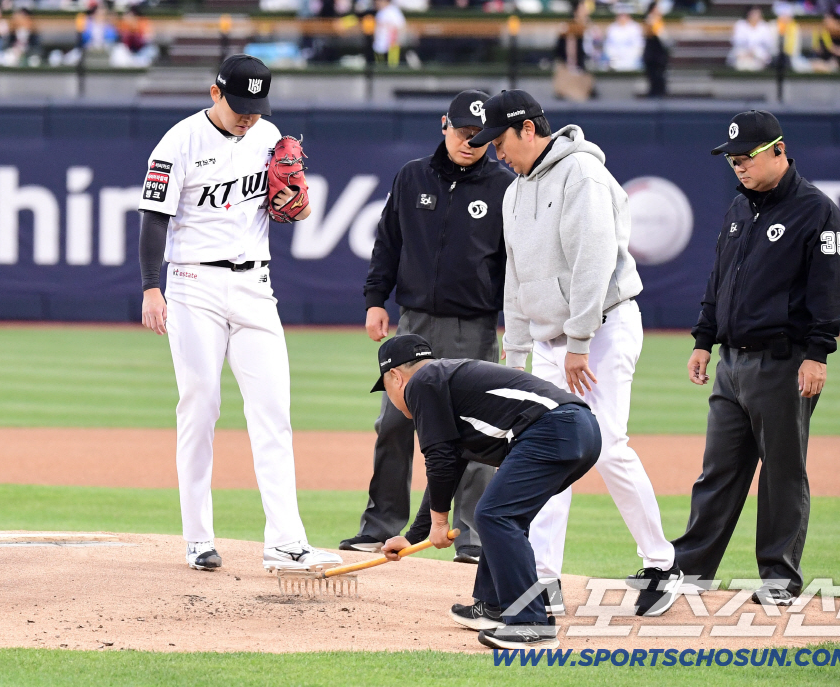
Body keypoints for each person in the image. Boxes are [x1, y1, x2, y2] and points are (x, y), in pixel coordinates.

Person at [473, 90, 682, 618]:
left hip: (601, 330)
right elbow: (515, 277)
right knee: (543, 451)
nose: (495, 152)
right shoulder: (515, 191)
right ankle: (543, 578)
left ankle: (662, 564)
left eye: (498, 140)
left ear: (527, 129)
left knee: (607, 446)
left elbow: (595, 259)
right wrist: (515, 352)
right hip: (548, 341)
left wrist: (580, 340)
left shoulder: (582, 174)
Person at [136, 55, 342, 573]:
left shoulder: (268, 135)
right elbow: (154, 218)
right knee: (200, 406)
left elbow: (291, 207)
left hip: (255, 283)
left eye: (256, 106)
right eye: (239, 106)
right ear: (214, 93)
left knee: (273, 410)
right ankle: (198, 538)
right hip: (192, 283)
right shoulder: (177, 142)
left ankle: (285, 540)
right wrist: (150, 288)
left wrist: (298, 203)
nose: (248, 116)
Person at [676, 111, 840, 606]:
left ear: (778, 149)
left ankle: (779, 578)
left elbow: (828, 290)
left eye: (746, 156)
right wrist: (704, 339)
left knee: (781, 473)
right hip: (731, 364)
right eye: (731, 159)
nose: (737, 166)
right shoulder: (738, 208)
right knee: (718, 472)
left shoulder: (816, 210)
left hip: (784, 361)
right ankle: (690, 571)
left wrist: (818, 353)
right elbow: (719, 281)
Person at [341, 90, 515, 564]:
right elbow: (387, 243)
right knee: (394, 422)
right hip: (413, 323)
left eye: (480, 137)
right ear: (444, 124)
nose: (470, 142)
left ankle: (474, 534)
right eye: (462, 132)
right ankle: (380, 526)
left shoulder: (504, 185)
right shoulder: (412, 175)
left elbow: (512, 263)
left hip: (474, 325)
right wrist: (376, 300)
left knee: (478, 430)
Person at [373, 334, 602, 650]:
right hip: (577, 429)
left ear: (396, 377)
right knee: (503, 517)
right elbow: (450, 463)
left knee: (496, 515)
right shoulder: (445, 384)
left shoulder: (423, 383)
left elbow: (438, 460)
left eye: (385, 389)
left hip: (555, 429)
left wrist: (440, 525)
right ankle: (494, 607)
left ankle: (531, 623)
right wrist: (414, 536)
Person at [729, 6, 776, 71]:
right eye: (753, 14)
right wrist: (748, 50)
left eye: (758, 14)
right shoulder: (740, 24)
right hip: (743, 53)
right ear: (748, 14)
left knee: (760, 55)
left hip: (759, 54)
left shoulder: (764, 26)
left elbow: (769, 43)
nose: (755, 16)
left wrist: (754, 51)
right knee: (740, 57)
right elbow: (736, 41)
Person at [370, 0, 407, 65]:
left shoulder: (393, 11)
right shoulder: (379, 12)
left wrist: (398, 41)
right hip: (379, 46)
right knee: (380, 69)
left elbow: (401, 27)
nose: (376, 2)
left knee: (391, 69)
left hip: (392, 46)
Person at [642, 5, 669, 97]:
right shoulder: (649, 24)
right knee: (653, 82)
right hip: (651, 58)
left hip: (660, 59)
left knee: (660, 83)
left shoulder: (660, 24)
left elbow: (666, 41)